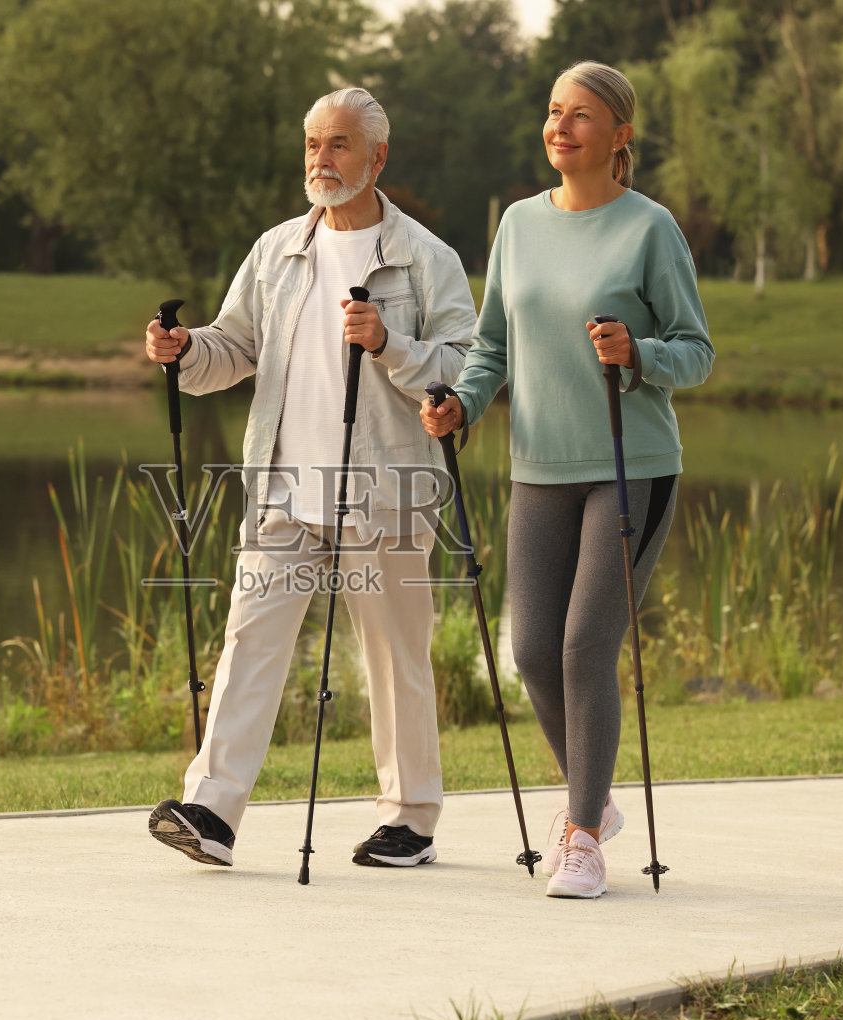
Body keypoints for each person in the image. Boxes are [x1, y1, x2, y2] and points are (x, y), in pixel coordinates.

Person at [144, 87, 478, 870]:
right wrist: (186, 348)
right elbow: (234, 345)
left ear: (377, 158)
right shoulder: (276, 252)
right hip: (283, 489)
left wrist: (392, 342)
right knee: (249, 642)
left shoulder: (428, 258)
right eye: (312, 146)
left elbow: (466, 366)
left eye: (337, 146)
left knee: (396, 657)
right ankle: (213, 810)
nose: (320, 161)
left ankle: (411, 818)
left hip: (390, 490)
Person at [420, 61, 714, 899]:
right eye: (553, 112)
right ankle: (596, 794)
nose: (561, 127)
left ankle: (582, 832)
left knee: (587, 645)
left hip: (633, 464)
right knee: (529, 650)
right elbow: (492, 349)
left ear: (619, 135)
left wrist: (640, 353)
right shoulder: (518, 224)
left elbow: (696, 350)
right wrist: (462, 406)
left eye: (581, 116)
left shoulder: (651, 229)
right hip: (539, 466)